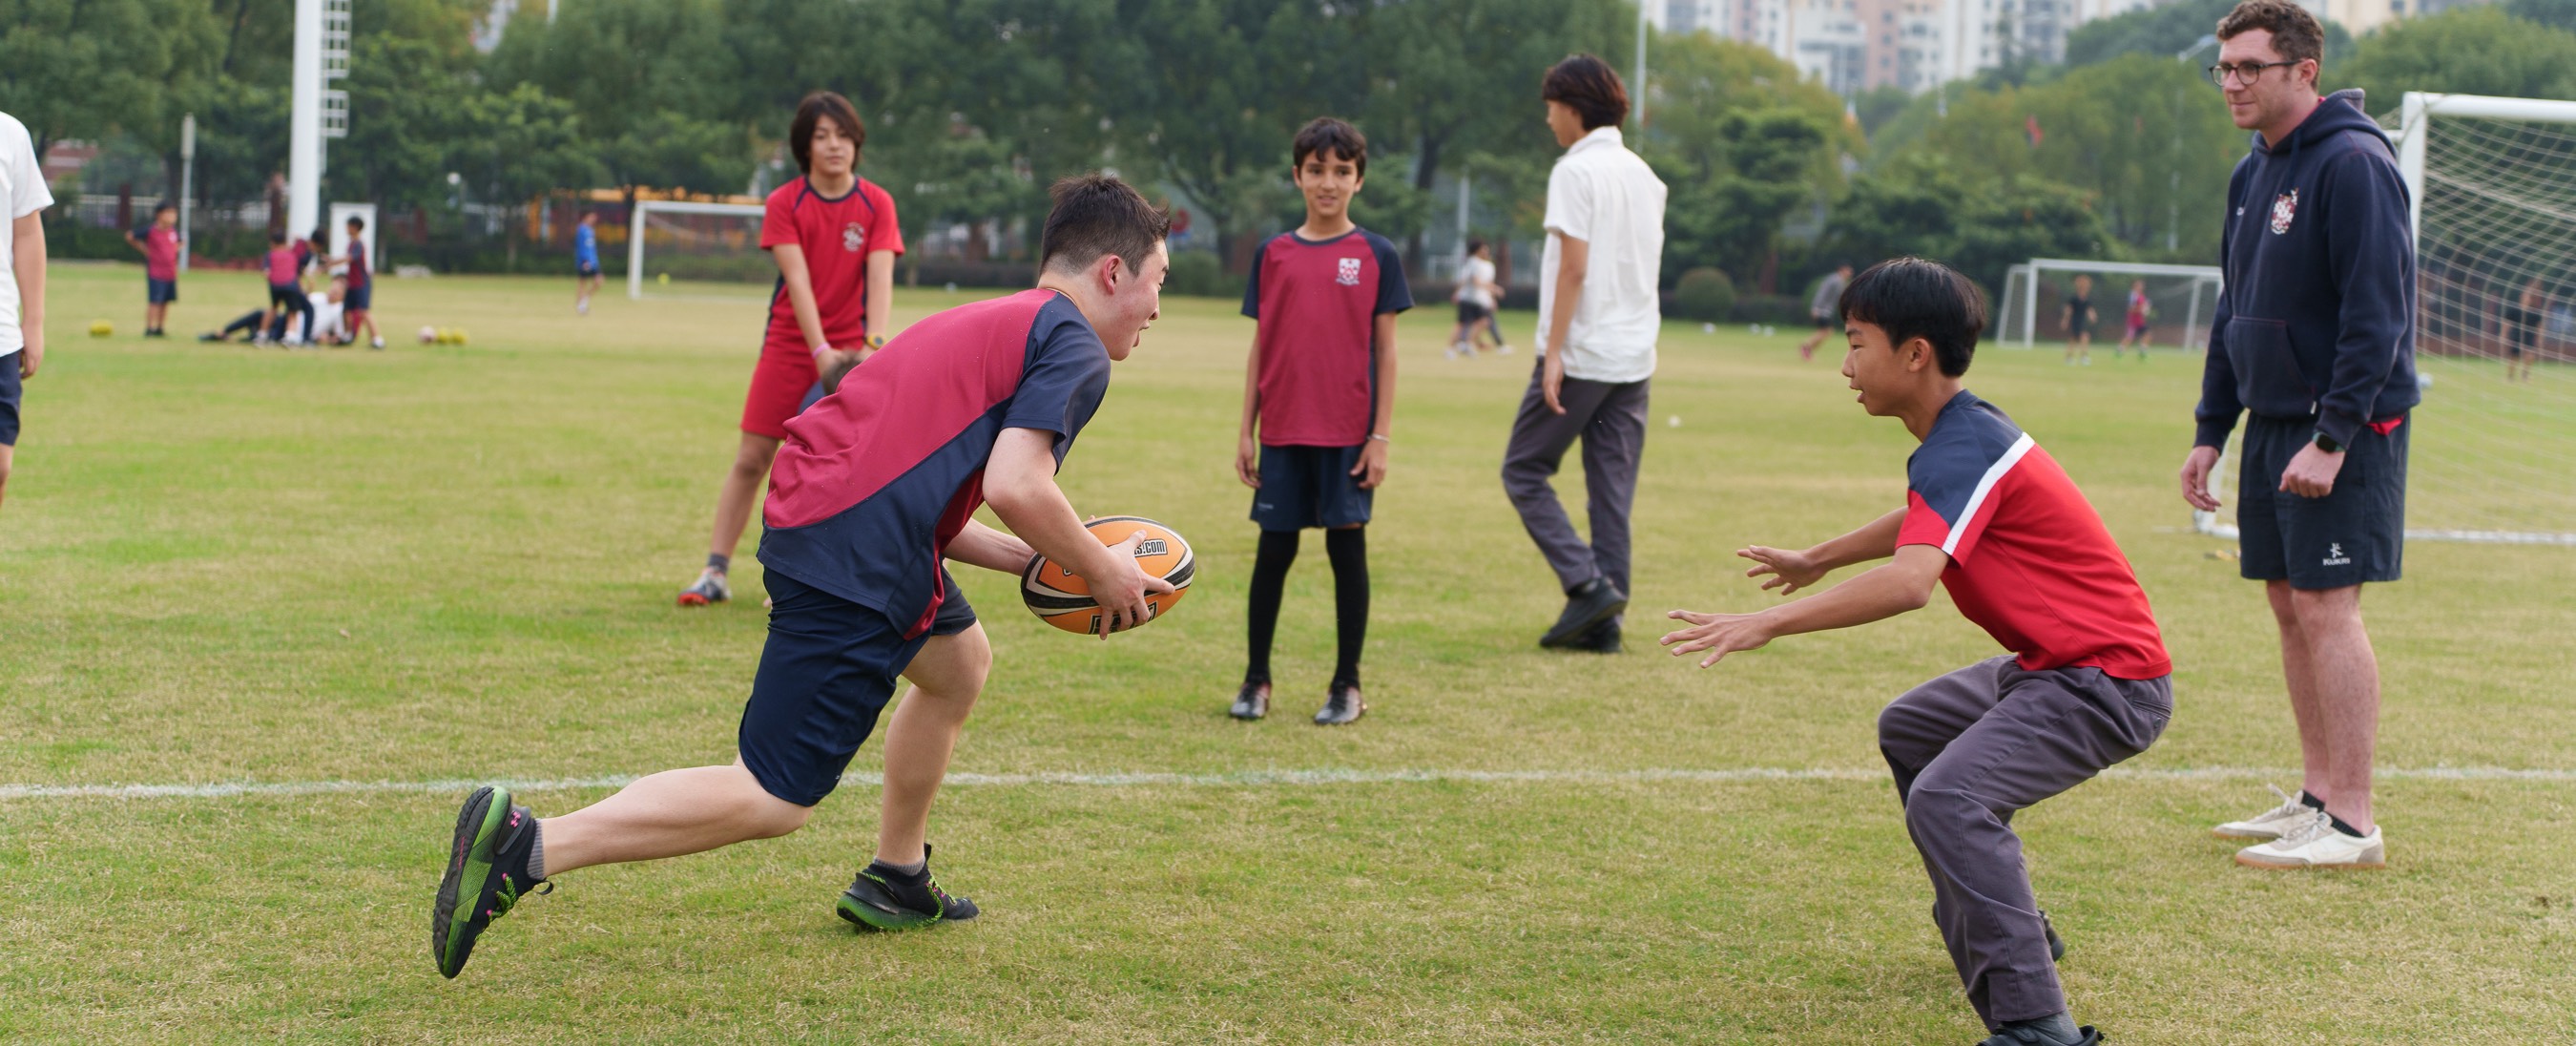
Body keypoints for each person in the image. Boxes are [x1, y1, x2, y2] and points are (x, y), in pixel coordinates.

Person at [430, 173, 1174, 978]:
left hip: (835, 520)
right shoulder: (1072, 344)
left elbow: (939, 500)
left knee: (959, 664)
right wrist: (1100, 568)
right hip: (857, 551)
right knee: (773, 794)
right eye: (1157, 284)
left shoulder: (993, 319)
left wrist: (1040, 561)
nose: (1157, 309)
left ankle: (897, 876)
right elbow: (1019, 485)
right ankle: (528, 847)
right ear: (1111, 272)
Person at [1662, 258, 2170, 1046]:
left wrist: (1761, 624)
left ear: (1915, 354)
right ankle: (2011, 927)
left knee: (1948, 799)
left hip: (2106, 684)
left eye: (1857, 342)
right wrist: (1819, 557)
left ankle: (2037, 1026)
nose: (1845, 364)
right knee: (1912, 727)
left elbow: (1910, 583)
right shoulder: (1960, 435)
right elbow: (1925, 515)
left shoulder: (1965, 443)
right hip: (2057, 668)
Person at [2181, 0, 2419, 870]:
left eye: (2251, 67)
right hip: (2274, 422)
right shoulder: (2253, 172)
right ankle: (2317, 798)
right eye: (2226, 68)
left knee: (2327, 607)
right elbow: (2231, 309)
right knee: (2288, 605)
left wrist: (2335, 435)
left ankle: (2354, 822)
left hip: (2342, 428)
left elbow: (2376, 314)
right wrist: (2212, 428)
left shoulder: (2355, 163)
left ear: (2303, 71)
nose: (2233, 83)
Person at [679, 91, 903, 609]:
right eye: (822, 136)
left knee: (834, 468)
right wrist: (819, 349)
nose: (834, 146)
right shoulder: (785, 202)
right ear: (804, 147)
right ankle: (714, 571)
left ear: (856, 144)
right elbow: (797, 281)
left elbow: (881, 278)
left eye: (843, 136)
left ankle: (809, 579)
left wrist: (871, 346)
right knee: (754, 458)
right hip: (790, 344)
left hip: (855, 349)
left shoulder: (876, 203)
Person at [1228, 116, 1411, 726]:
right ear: (1297, 175)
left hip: (1348, 436)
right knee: (1272, 556)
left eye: (1341, 171)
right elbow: (1262, 346)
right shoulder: (1273, 253)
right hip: (1282, 429)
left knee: (1347, 555)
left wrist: (1379, 436)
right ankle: (1256, 680)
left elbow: (1386, 352)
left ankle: (1347, 686)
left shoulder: (1377, 254)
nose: (1327, 183)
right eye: (1316, 170)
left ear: (1359, 180)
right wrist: (1245, 429)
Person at [1504, 53, 1667, 655]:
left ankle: (1588, 585)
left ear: (1572, 108)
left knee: (1523, 469)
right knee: (1611, 492)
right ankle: (1604, 624)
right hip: (1635, 357)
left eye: (1551, 107)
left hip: (1583, 352)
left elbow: (1573, 268)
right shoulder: (1646, 176)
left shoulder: (1575, 172)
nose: (1549, 119)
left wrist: (1552, 353)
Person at [1, 108, 52, 516]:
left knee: (0, 465)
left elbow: (27, 231)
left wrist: (33, 322)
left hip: (0, 331)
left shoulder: (10, 133)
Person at [325, 215, 383, 349]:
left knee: (364, 311)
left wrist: (333, 262)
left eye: (348, 226)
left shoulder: (358, 244)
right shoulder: (351, 243)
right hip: (351, 283)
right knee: (346, 310)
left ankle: (377, 339)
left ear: (355, 227)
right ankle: (348, 335)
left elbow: (350, 258)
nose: (346, 228)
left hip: (362, 283)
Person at [124, 201, 180, 338]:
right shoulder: (151, 231)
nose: (172, 217)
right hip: (156, 273)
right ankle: (149, 328)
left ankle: (160, 327)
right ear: (159, 215)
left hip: (170, 273)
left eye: (173, 213)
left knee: (166, 302)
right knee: (154, 301)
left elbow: (180, 242)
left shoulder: (173, 232)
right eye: (168, 213)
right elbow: (130, 236)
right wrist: (144, 249)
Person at [1448, 238, 1505, 359]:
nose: (1486, 251)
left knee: (1484, 321)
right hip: (1468, 298)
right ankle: (1450, 349)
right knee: (1462, 324)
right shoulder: (1473, 262)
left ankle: (1467, 344)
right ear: (1477, 250)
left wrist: (1491, 297)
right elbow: (1474, 281)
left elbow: (1486, 282)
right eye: (1483, 249)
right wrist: (1494, 289)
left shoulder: (1485, 265)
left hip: (1480, 299)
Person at [262, 230, 315, 345]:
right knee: (293, 311)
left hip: (275, 286)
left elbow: (266, 273)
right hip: (291, 286)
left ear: (272, 243)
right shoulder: (292, 255)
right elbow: (297, 270)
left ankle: (262, 335)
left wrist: (273, 281)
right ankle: (290, 336)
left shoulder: (270, 255)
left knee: (273, 308)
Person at [1797, 262, 1853, 362]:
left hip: (1826, 310)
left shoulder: (1839, 281)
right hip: (1822, 310)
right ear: (1842, 270)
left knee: (1826, 331)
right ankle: (1806, 346)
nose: (1850, 273)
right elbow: (1822, 293)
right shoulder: (1834, 280)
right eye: (1848, 270)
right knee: (1826, 331)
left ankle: (1807, 349)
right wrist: (1816, 308)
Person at [2503, 277, 2543, 383]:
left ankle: (2525, 375)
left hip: (2529, 336)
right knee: (2514, 357)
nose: (2527, 299)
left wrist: (2539, 338)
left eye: (2528, 297)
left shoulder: (2534, 313)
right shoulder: (2515, 310)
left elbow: (2539, 326)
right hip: (2516, 335)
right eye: (2525, 296)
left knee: (2530, 356)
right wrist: (2503, 334)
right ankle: (2510, 376)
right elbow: (2506, 323)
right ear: (2521, 297)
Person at [2059, 273, 2095, 366]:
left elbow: (2089, 310)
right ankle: (2081, 357)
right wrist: (2065, 321)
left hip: (2082, 320)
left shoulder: (2087, 300)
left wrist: (2092, 316)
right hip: (2076, 320)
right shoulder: (2074, 299)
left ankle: (2072, 357)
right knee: (2081, 337)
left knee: (2079, 338)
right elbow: (2068, 310)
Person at [573, 211, 603, 315]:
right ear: (585, 217)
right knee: (582, 283)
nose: (593, 220)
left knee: (599, 281)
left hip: (594, 261)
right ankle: (580, 306)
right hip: (585, 261)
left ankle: (584, 301)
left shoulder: (591, 230)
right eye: (591, 217)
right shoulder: (581, 230)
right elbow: (581, 247)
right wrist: (585, 261)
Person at [2114, 279, 2151, 359]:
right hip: (2133, 321)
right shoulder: (2132, 296)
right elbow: (2130, 309)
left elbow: (2144, 307)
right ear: (2134, 286)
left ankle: (2142, 352)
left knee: (2147, 335)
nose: (2141, 287)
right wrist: (2141, 308)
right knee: (2129, 337)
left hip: (2140, 321)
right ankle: (2119, 351)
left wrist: (2145, 308)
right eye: (2139, 285)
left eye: (2142, 285)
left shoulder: (2141, 296)